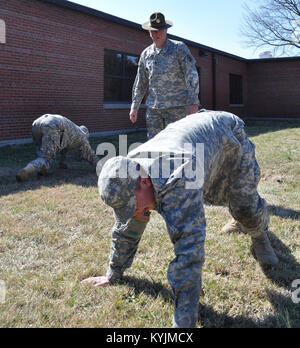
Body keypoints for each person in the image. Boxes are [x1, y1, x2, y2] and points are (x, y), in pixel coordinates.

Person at [82, 110, 279, 328]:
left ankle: (259, 235)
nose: (135, 213)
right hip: (196, 144)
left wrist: (183, 326)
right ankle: (241, 221)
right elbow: (128, 226)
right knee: (205, 194)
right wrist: (114, 272)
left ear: (146, 183)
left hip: (229, 136)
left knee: (244, 205)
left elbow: (189, 253)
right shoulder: (127, 176)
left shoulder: (179, 176)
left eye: (132, 207)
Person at [129, 12, 200, 139]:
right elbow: (141, 82)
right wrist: (134, 107)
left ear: (166, 29)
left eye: (160, 30)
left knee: (179, 146)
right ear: (149, 32)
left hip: (177, 109)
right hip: (154, 112)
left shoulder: (179, 48)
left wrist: (194, 103)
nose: (157, 34)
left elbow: (192, 76)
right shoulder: (146, 55)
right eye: (153, 31)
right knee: (155, 147)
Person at [16, 114, 99, 182]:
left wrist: (62, 164)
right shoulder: (82, 136)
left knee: (42, 152)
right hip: (53, 126)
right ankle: (26, 170)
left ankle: (42, 170)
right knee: (46, 157)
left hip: (37, 123)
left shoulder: (73, 130)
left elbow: (64, 149)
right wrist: (100, 166)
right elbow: (90, 155)